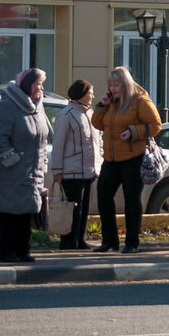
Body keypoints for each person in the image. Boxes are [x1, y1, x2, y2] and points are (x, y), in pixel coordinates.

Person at [92, 66, 161, 254]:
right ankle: (109, 241)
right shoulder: (111, 102)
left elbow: (156, 125)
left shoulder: (139, 100)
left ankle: (132, 242)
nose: (113, 88)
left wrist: (133, 131)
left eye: (116, 84)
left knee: (132, 200)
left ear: (125, 84)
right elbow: (97, 124)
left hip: (133, 157)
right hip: (111, 159)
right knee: (103, 195)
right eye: (110, 84)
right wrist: (102, 104)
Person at [0, 69, 52, 263]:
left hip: (32, 170)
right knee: (9, 213)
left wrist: (42, 163)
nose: (41, 88)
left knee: (27, 213)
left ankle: (23, 251)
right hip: (11, 172)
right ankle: (7, 252)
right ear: (29, 86)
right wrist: (14, 160)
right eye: (38, 84)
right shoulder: (9, 106)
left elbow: (43, 138)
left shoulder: (37, 107)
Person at [50, 79, 102, 250]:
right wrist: (57, 171)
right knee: (71, 208)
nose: (93, 95)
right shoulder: (67, 114)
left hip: (89, 170)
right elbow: (58, 145)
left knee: (84, 208)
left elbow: (96, 142)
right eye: (90, 92)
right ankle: (68, 241)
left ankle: (80, 239)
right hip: (71, 171)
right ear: (81, 94)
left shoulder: (89, 113)